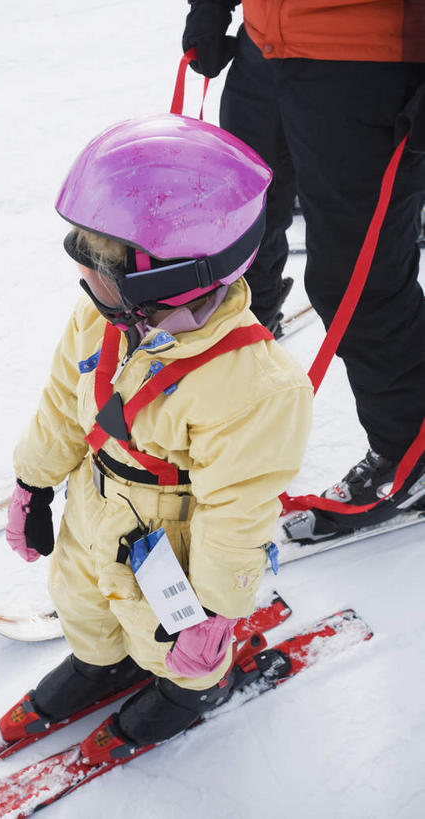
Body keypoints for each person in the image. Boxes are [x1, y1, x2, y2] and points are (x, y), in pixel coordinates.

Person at [0, 114, 313, 758]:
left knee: (165, 629)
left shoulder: (254, 385)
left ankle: (193, 689)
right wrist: (33, 481)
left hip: (173, 535)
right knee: (79, 597)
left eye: (101, 267)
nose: (85, 280)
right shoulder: (101, 319)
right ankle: (100, 662)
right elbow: (63, 403)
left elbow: (238, 512)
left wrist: (218, 608)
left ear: (163, 281)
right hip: (96, 501)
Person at [182, 0, 425, 541]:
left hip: (366, 61)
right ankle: (235, 383)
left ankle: (411, 453)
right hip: (262, 49)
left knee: (357, 278)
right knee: (228, 242)